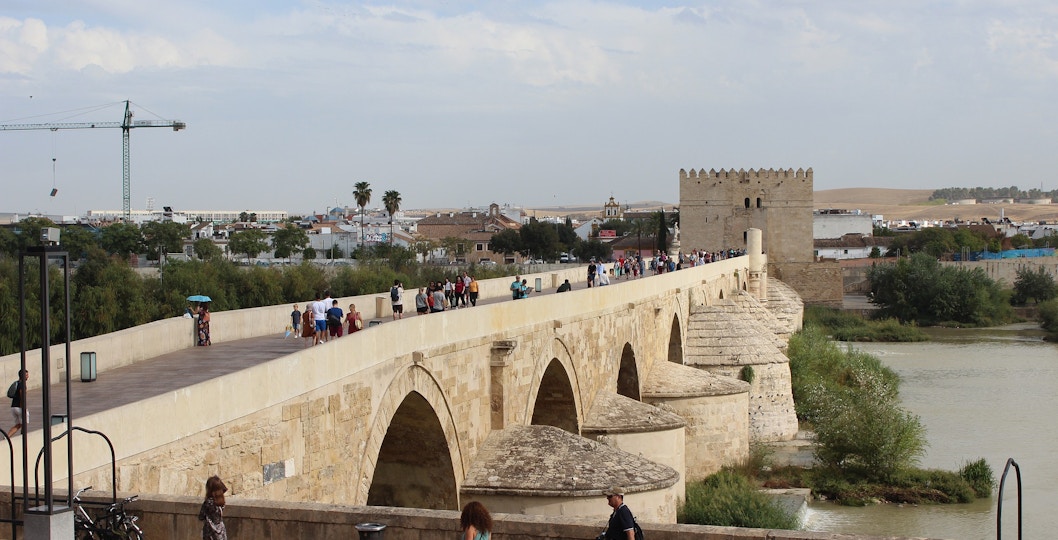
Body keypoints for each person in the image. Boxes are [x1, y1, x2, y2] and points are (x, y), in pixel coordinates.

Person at [198, 475, 228, 540]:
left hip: (210, 532)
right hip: (221, 531)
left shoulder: (209, 502)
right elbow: (225, 489)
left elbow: (201, 516)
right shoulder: (221, 502)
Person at [7, 369, 28, 438]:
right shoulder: (22, 384)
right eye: (26, 375)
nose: (28, 376)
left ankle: (7, 437)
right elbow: (22, 395)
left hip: (13, 407)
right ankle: (24, 437)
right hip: (19, 407)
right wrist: (23, 406)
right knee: (24, 423)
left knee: (18, 424)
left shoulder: (17, 383)